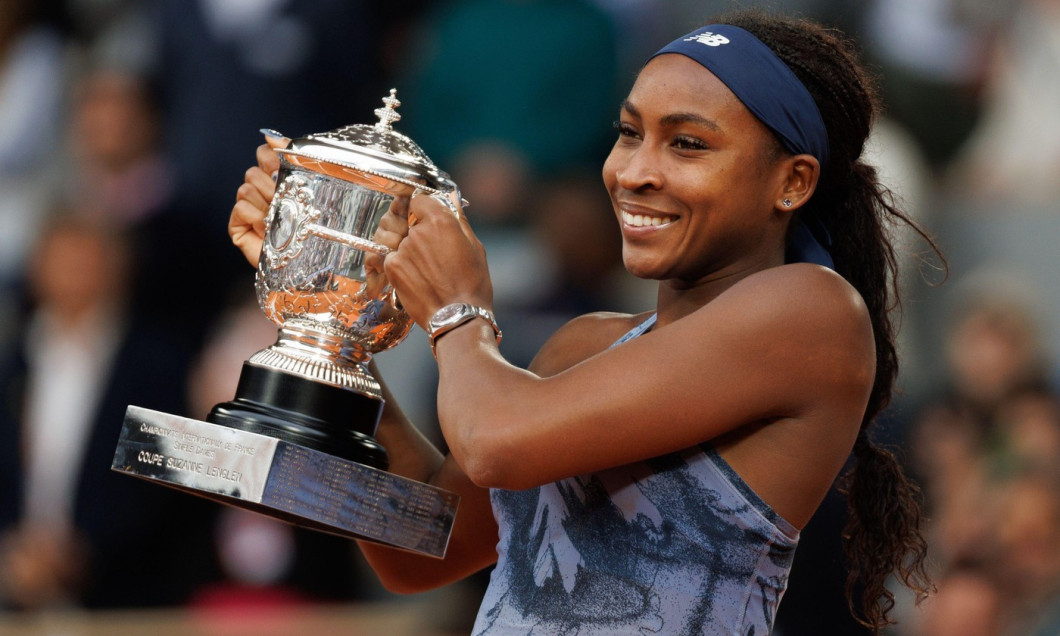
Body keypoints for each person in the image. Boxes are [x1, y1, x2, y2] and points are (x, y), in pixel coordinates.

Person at [228, 10, 933, 634]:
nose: (635, 172)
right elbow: (421, 549)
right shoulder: (583, 345)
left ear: (793, 182)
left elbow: (494, 443)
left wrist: (458, 310)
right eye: (629, 134)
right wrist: (328, 311)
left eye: (687, 144)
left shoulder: (813, 312)